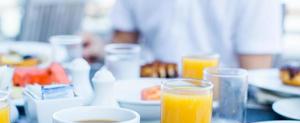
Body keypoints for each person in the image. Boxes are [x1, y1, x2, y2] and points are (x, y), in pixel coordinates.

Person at [83, 0, 282, 69]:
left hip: (218, 116)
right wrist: (100, 48)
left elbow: (254, 73)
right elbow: (123, 43)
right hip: (139, 102)